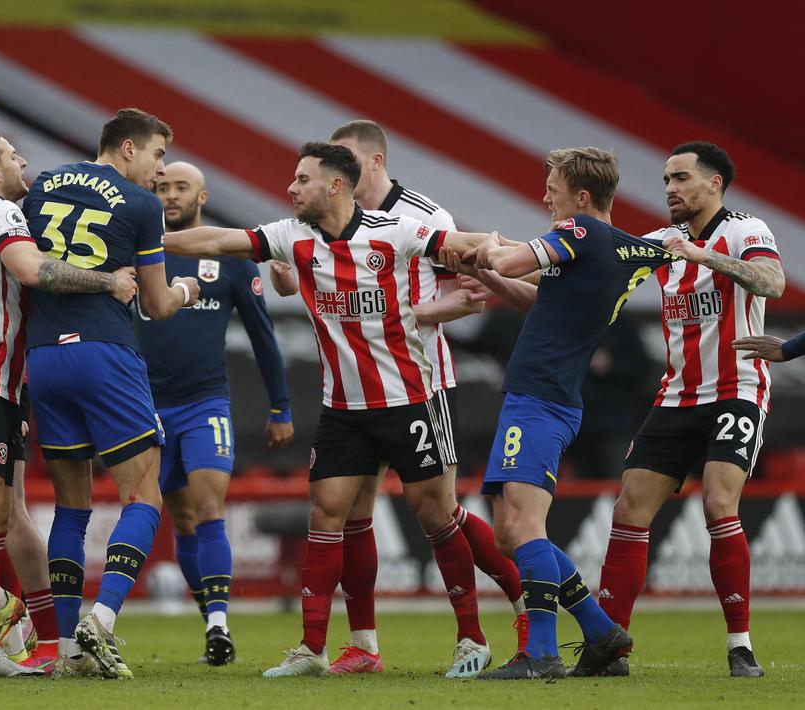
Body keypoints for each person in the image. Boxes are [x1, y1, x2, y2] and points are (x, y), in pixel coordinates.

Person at [164, 142, 504, 679]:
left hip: (408, 401)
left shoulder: (395, 231)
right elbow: (216, 239)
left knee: (436, 516)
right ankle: (313, 648)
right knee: (327, 514)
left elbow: (468, 243)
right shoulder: (292, 236)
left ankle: (472, 638)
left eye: (302, 179)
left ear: (335, 185)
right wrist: (145, 240)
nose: (291, 188)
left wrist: (527, 254)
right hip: (343, 408)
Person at [272, 120, 529, 676]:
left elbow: (471, 298)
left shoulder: (424, 218)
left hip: (421, 385)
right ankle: (363, 645)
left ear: (375, 161)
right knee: (351, 514)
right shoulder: (321, 224)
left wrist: (399, 317)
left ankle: (518, 602)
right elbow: (294, 280)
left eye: (345, 158)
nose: (336, 169)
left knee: (439, 511)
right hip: (353, 392)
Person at [0, 128, 139, 679]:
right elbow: (34, 270)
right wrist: (109, 281)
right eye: (13, 156)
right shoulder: (0, 212)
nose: (23, 163)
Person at [460, 147, 677, 680]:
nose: (545, 198)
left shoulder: (581, 232)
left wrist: (485, 246)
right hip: (546, 398)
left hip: (540, 399)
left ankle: (541, 654)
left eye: (552, 189)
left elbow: (509, 260)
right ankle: (602, 632)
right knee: (510, 533)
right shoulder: (615, 248)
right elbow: (542, 301)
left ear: (581, 197)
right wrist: (490, 276)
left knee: (524, 526)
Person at [23, 108, 199, 680]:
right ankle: (101, 620)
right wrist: (188, 289)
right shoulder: (142, 204)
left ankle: (67, 651)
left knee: (71, 508)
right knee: (144, 496)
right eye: (157, 155)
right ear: (127, 148)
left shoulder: (43, 184)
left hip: (44, 358)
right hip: (104, 355)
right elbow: (155, 303)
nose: (160, 170)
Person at [597, 142, 784, 678]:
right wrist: (501, 268)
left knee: (719, 502)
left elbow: (772, 282)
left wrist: (704, 257)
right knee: (629, 510)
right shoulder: (660, 243)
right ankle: (609, 649)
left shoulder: (747, 230)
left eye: (681, 178)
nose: (670, 189)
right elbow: (595, 271)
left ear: (714, 183)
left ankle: (740, 646)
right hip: (677, 396)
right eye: (666, 180)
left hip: (737, 388)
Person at [145, 161, 294, 666]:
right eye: (162, 187)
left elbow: (262, 337)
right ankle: (208, 614)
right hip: (147, 407)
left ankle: (218, 625)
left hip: (205, 403)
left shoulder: (230, 260)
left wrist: (281, 406)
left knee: (209, 508)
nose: (170, 195)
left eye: (180, 187)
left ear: (202, 197)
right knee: (182, 519)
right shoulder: (138, 252)